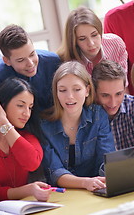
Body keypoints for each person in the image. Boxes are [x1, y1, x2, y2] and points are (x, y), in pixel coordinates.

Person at [41, 61, 115, 191]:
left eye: (77, 89)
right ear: (56, 93)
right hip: (61, 193)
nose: (69, 97)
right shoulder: (44, 125)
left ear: (87, 90)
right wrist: (85, 183)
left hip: (97, 188)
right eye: (63, 90)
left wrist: (108, 178)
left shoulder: (98, 116)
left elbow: (107, 160)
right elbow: (55, 172)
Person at [0, 24, 60, 112]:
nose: (30, 63)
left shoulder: (53, 62)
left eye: (32, 54)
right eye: (21, 60)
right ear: (7, 61)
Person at [57, 6, 128, 79]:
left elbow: (123, 84)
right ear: (74, 41)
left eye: (94, 35)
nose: (91, 44)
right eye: (82, 39)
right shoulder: (64, 60)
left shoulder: (116, 44)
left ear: (100, 31)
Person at [92, 60, 134, 150]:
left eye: (118, 94)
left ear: (124, 89)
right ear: (94, 92)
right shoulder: (88, 114)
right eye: (105, 95)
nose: (113, 103)